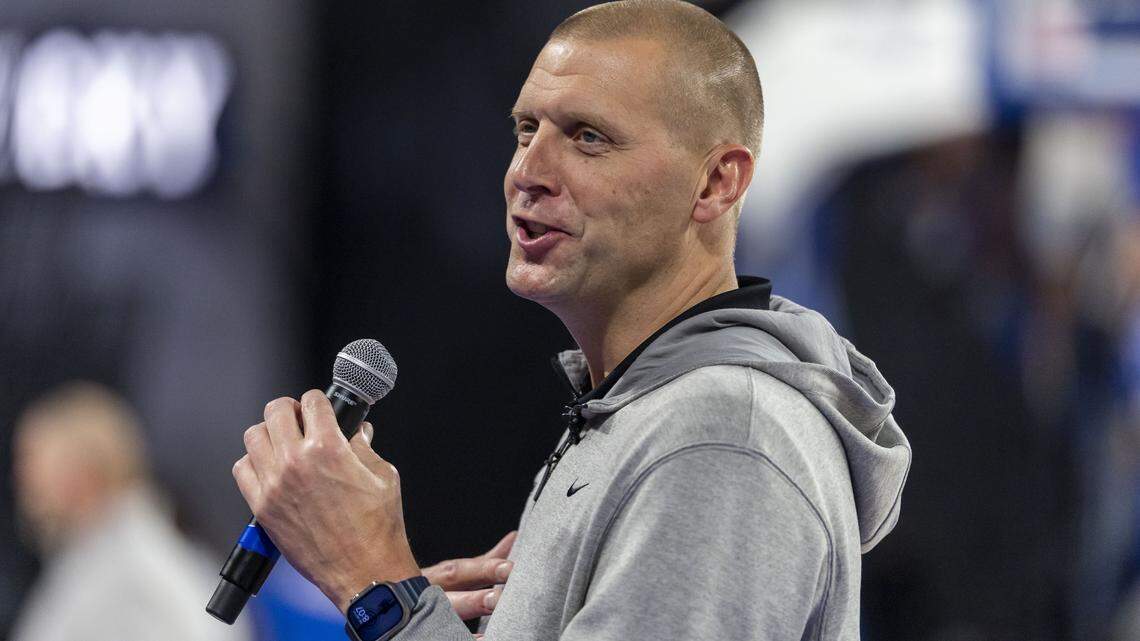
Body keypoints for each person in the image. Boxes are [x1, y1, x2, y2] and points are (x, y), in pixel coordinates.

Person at [231, 1, 912, 639]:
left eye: (589, 137)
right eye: (526, 130)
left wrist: (374, 580)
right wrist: (416, 611)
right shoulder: (634, 410)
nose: (527, 171)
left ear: (715, 184)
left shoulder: (721, 435)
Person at [9, 382, 252, 641]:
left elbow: (212, 629)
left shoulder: (140, 557)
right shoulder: (91, 551)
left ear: (80, 469)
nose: (21, 477)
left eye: (31, 459)